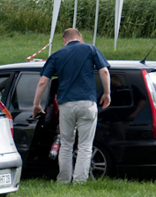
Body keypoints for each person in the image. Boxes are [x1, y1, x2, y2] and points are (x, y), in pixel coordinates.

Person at [32, 28, 110, 184]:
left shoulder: (56, 55)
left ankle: (64, 180)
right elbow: (104, 71)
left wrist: (36, 104)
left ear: (64, 40)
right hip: (87, 102)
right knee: (85, 145)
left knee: (66, 144)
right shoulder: (90, 49)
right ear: (80, 38)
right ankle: (80, 181)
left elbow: (43, 82)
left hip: (66, 104)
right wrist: (107, 93)